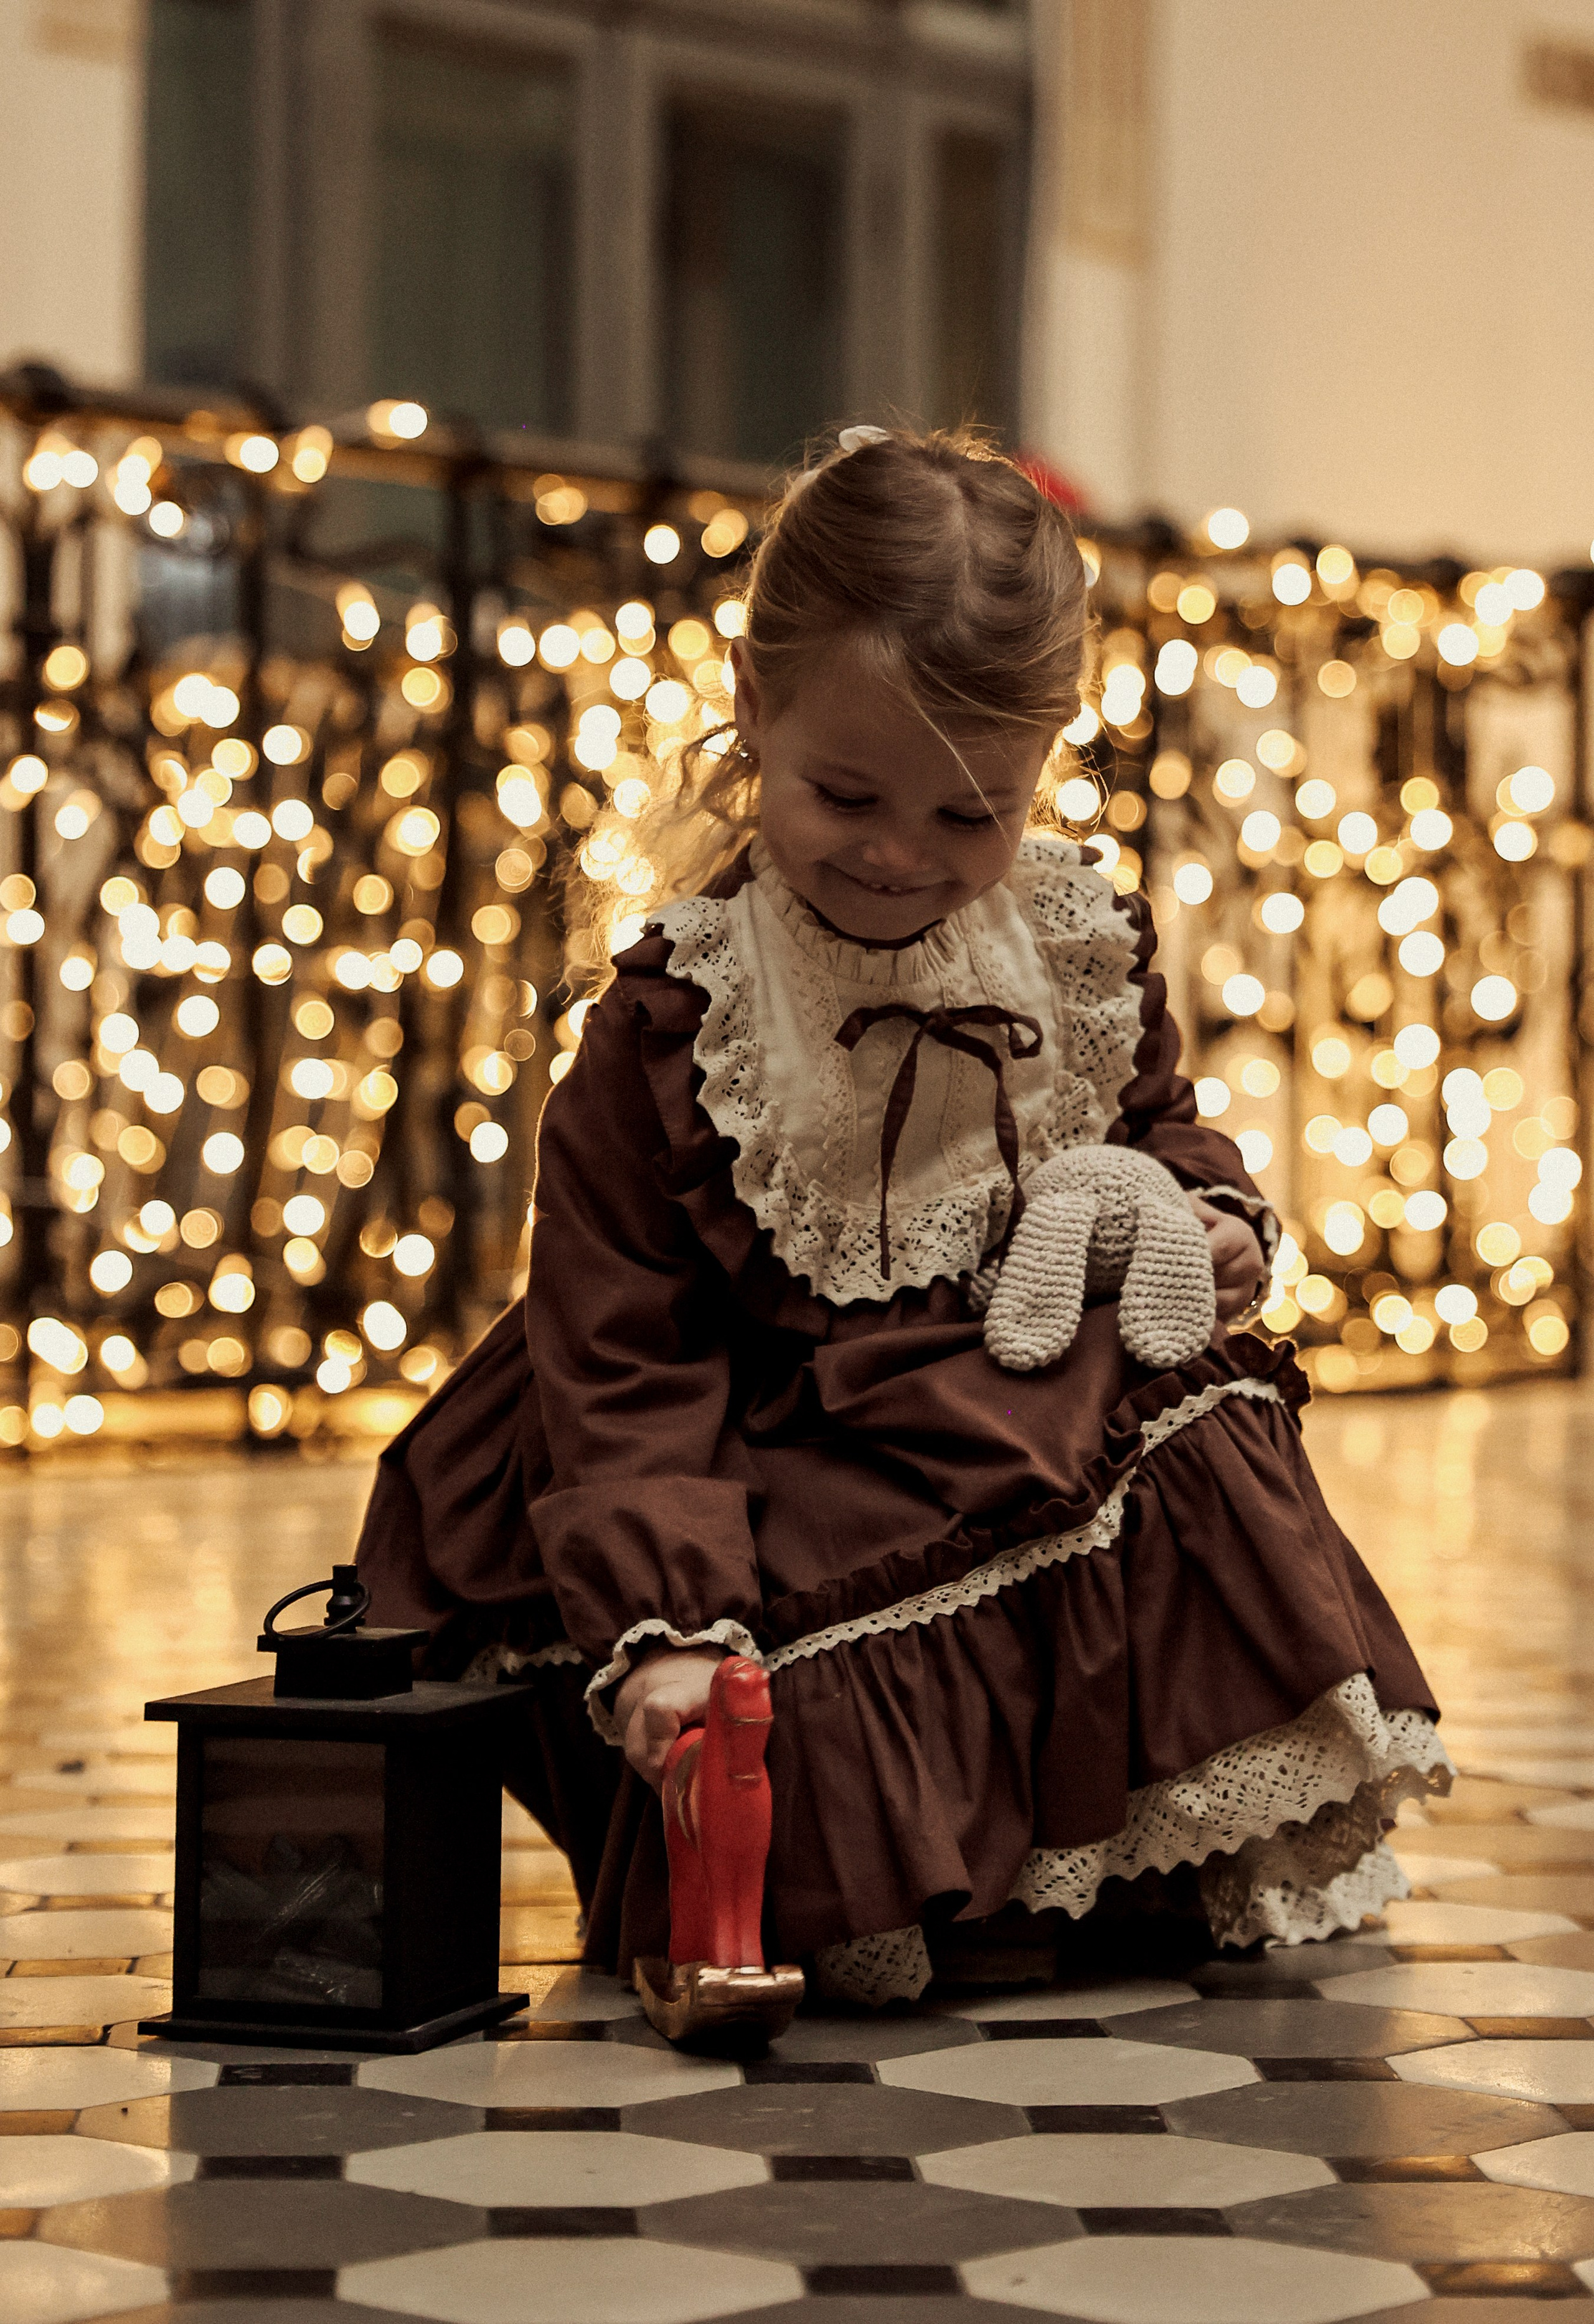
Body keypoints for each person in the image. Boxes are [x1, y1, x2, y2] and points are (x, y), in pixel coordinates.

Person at [356, 426, 1450, 2006]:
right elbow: (623, 1362)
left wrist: (1203, 1215)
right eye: (846, 793)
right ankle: (894, 1880)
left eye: (968, 815)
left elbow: (1150, 1128)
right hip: (771, 1434)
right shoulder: (677, 1026)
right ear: (750, 703)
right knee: (831, 1569)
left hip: (999, 1384)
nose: (898, 856)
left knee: (1201, 1416)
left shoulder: (1067, 944)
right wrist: (669, 1619)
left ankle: (1092, 1856)